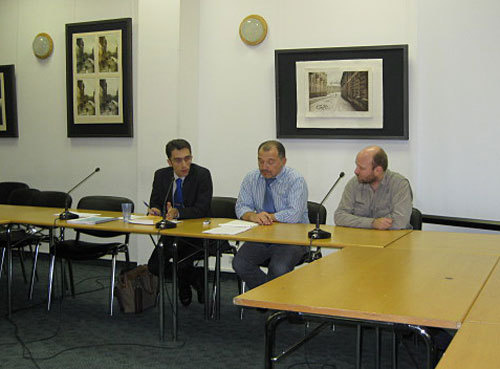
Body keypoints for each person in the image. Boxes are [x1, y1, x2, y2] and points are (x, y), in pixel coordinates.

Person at [232, 140, 309, 290]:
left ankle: (268, 301)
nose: (264, 167)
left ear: (283, 161)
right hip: (262, 236)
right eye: (260, 161)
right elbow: (241, 206)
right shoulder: (251, 178)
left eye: (270, 162)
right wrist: (252, 216)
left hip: (292, 239)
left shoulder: (295, 180)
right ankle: (267, 297)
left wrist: (268, 217)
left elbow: (294, 214)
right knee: (240, 263)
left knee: (279, 268)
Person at [147, 139, 213, 306]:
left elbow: (202, 209)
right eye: (178, 160)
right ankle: (196, 277)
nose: (184, 164)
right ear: (169, 162)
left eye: (187, 158)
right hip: (171, 233)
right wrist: (154, 210)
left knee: (182, 262)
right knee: (154, 266)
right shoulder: (161, 176)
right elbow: (155, 202)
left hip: (196, 234)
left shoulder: (202, 175)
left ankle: (184, 283)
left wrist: (179, 212)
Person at [334, 145, 413, 230]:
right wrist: (372, 223)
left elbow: (400, 223)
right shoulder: (354, 183)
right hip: (360, 240)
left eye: (361, 168)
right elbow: (339, 216)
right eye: (357, 166)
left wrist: (357, 222)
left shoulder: (399, 184)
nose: (356, 171)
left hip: (393, 240)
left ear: (378, 170)